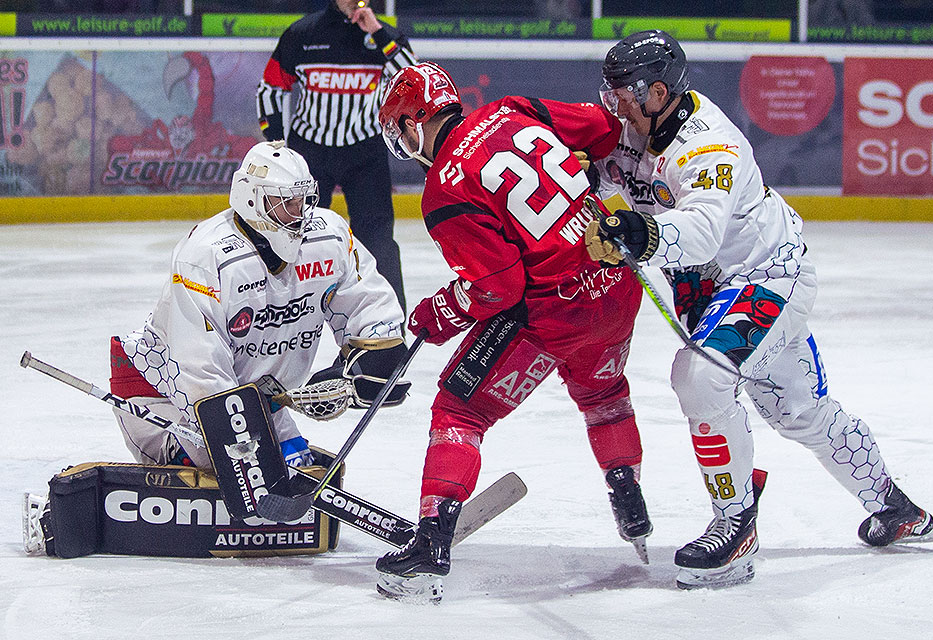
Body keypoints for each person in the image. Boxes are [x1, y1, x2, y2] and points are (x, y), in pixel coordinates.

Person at [582, 30, 933, 589]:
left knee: (701, 378)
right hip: (714, 290)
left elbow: (702, 234)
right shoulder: (636, 126)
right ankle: (896, 508)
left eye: (623, 93)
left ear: (657, 91)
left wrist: (636, 229)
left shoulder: (709, 147)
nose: (614, 105)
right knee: (796, 410)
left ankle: (735, 528)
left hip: (767, 278)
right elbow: (595, 163)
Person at [372, 62, 653, 602]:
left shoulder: (443, 191)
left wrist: (438, 311)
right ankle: (629, 500)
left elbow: (497, 291)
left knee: (460, 410)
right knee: (603, 391)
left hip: (556, 315)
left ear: (413, 124)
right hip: (617, 288)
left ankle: (431, 541)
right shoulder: (512, 109)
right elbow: (604, 128)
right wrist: (584, 175)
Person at [107, 140, 407, 475]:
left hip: (257, 400)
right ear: (252, 200)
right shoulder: (208, 255)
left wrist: (368, 363)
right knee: (224, 463)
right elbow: (199, 370)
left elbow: (370, 305)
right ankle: (185, 455)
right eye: (285, 203)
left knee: (289, 465)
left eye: (302, 199)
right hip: (159, 389)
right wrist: (247, 449)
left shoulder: (329, 235)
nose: (300, 213)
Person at [256, 0, 418, 312]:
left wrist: (378, 33)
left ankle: (389, 324)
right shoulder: (303, 33)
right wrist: (275, 143)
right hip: (310, 154)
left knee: (379, 241)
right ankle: (278, 315)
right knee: (292, 236)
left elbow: (412, 79)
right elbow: (270, 89)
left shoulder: (385, 36)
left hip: (365, 153)